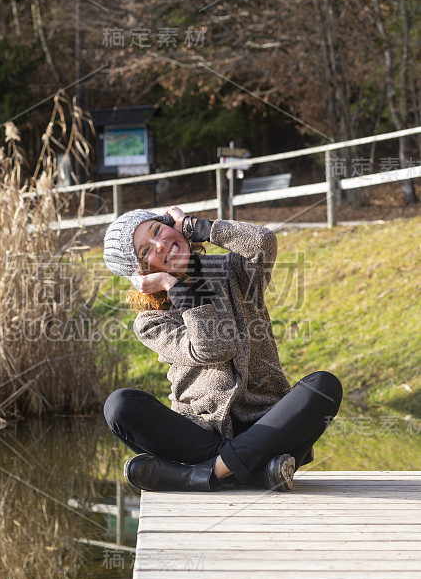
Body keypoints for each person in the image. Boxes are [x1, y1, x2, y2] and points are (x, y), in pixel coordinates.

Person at [102, 206, 343, 492]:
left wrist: (198, 226)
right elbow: (214, 348)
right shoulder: (151, 322)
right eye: (146, 251)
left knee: (324, 386)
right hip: (200, 431)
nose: (161, 243)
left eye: (158, 230)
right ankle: (255, 470)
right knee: (120, 405)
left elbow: (262, 242)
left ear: (171, 225)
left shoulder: (234, 272)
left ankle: (207, 473)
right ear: (143, 272)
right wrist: (173, 286)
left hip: (267, 424)